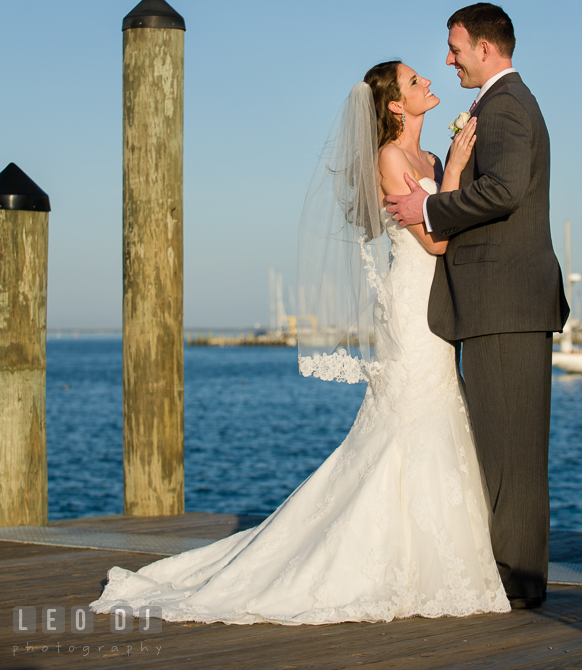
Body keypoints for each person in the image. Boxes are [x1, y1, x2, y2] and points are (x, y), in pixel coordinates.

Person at [91, 60, 510, 625]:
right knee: (412, 413)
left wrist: (449, 167)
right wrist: (459, 166)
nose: (429, 83)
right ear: (393, 106)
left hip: (435, 304)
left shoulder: (429, 159)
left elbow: (445, 221)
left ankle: (437, 556)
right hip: (410, 304)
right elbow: (436, 242)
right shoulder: (391, 159)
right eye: (415, 82)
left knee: (434, 413)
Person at [385, 3, 569, 610]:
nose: (448, 59)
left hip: (507, 304)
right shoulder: (497, 105)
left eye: (455, 48)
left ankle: (519, 584)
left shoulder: (507, 105)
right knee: (500, 447)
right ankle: (513, 576)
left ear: (485, 49)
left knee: (510, 451)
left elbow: (507, 190)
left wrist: (431, 208)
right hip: (500, 305)